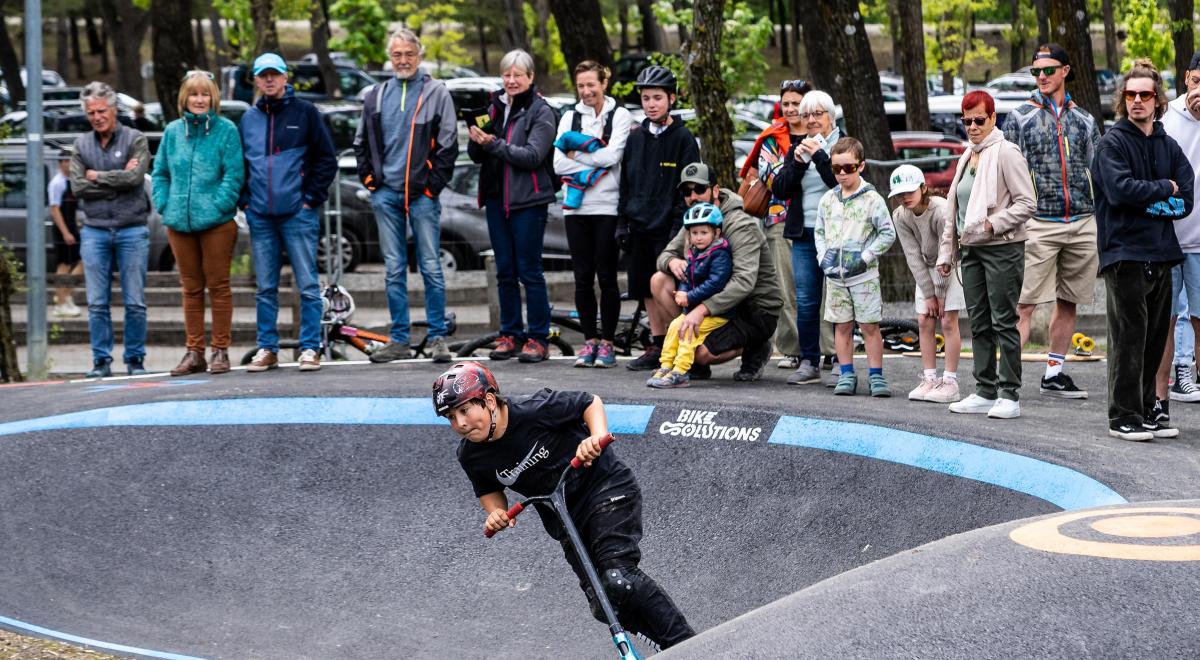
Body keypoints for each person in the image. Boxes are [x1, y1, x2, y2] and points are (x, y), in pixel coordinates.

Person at [434, 361, 695, 651]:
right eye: (450, 418)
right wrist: (495, 512)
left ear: (490, 401)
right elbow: (488, 489)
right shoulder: (470, 455)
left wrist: (596, 437)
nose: (460, 424)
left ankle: (692, 647)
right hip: (566, 518)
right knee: (602, 603)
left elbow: (589, 402)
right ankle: (671, 650)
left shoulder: (535, 409)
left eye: (464, 411)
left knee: (619, 579)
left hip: (604, 488)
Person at [1092, 59, 1193, 441]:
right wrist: (1162, 190)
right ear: (1123, 99)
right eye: (1131, 94)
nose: (1137, 100)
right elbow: (1119, 192)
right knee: (1129, 335)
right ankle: (1124, 415)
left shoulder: (1168, 145)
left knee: (1154, 337)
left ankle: (1149, 409)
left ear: (1157, 100)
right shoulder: (1111, 144)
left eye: (1145, 94)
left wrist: (1149, 197)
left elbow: (1187, 200)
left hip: (1163, 253)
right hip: (1123, 253)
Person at [1003, 43, 1101, 400]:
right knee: (1024, 303)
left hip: (1081, 219)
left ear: (1065, 71)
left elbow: (1099, 171)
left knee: (1069, 300)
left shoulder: (1086, 120)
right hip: (1039, 221)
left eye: (1048, 70)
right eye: (1036, 72)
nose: (1041, 76)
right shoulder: (1019, 117)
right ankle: (1006, 380)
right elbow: (1004, 170)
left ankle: (1054, 373)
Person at [355, 28, 458, 365]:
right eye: (397, 54)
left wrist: (431, 187)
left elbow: (448, 146)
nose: (403, 60)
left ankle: (438, 338)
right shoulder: (374, 95)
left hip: (422, 196)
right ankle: (399, 338)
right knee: (393, 268)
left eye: (408, 54)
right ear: (390, 57)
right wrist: (372, 181)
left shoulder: (437, 92)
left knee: (431, 266)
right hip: (386, 195)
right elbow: (360, 144)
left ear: (419, 55)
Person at [937, 90, 1036, 419]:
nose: (973, 126)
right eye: (967, 121)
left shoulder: (1006, 152)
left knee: (1004, 320)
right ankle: (984, 389)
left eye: (980, 119)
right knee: (978, 322)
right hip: (971, 249)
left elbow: (1027, 203)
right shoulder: (968, 154)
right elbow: (956, 209)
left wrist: (993, 224)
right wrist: (948, 251)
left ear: (993, 118)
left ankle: (1010, 393)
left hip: (1002, 247)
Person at [239, 53, 338, 373]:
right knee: (265, 287)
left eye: (275, 74)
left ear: (285, 77)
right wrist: (245, 201)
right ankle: (267, 347)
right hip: (261, 216)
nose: (269, 80)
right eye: (263, 75)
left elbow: (326, 159)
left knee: (307, 285)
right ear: (255, 80)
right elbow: (240, 165)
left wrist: (310, 198)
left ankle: (310, 347)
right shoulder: (248, 119)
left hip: (298, 213)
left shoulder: (306, 113)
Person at [151, 70, 245, 377]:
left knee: (218, 286)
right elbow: (161, 172)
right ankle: (195, 352)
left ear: (213, 98)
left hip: (217, 222)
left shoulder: (226, 131)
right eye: (194, 94)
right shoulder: (172, 132)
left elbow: (234, 174)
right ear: (184, 98)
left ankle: (220, 350)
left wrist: (218, 205)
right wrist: (165, 203)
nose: (200, 100)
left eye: (205, 94)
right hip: (179, 222)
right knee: (190, 288)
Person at [651, 163, 783, 381]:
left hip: (753, 308)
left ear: (714, 190)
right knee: (659, 280)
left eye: (699, 189)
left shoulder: (739, 224)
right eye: (686, 192)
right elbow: (664, 256)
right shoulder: (695, 219)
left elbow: (743, 282)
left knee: (702, 354)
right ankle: (689, 354)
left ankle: (757, 345)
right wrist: (672, 261)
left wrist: (700, 310)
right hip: (715, 301)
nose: (693, 196)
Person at [467, 49, 558, 363]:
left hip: (528, 201)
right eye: (507, 74)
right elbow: (479, 155)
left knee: (529, 271)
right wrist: (476, 139)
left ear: (530, 77)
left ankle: (538, 338)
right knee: (504, 271)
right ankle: (510, 335)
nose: (511, 80)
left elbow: (532, 156)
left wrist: (493, 144)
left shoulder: (541, 110)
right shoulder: (493, 105)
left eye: (518, 74)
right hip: (495, 199)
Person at [618, 66, 701, 371]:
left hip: (669, 228)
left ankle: (680, 345)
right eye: (646, 98)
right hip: (639, 225)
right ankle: (657, 343)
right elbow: (626, 183)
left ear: (671, 99)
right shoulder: (636, 138)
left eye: (657, 98)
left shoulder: (683, 139)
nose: (651, 104)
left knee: (667, 287)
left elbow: (689, 190)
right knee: (643, 288)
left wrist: (680, 229)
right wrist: (622, 222)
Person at [70, 81, 152, 378]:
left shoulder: (136, 138)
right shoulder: (81, 145)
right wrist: (116, 178)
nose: (97, 117)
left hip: (132, 228)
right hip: (95, 231)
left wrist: (97, 177)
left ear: (114, 109)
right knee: (96, 303)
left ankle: (135, 360)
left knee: (135, 302)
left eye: (101, 110)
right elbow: (78, 187)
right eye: (91, 112)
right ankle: (100, 361)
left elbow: (135, 180)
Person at [553, 60, 632, 368]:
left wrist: (578, 155)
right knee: (582, 277)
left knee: (607, 276)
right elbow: (559, 165)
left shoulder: (620, 115)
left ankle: (608, 342)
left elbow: (614, 156)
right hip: (576, 208)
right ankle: (589, 341)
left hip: (608, 206)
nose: (586, 91)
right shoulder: (570, 116)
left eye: (591, 85)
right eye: (581, 86)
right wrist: (594, 161)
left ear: (604, 83)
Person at [765, 86, 840, 385]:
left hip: (836, 235)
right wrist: (796, 162)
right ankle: (809, 360)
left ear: (831, 117)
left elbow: (839, 183)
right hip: (804, 232)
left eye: (817, 114)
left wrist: (820, 156)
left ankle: (839, 359)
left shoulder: (842, 145)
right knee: (807, 300)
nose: (810, 120)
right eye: (806, 114)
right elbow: (780, 189)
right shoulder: (799, 146)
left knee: (837, 299)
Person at [740, 79, 812, 378]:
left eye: (797, 103)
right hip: (779, 221)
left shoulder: (820, 132)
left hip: (814, 221)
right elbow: (773, 179)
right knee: (786, 288)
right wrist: (801, 169)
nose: (792, 109)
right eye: (787, 103)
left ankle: (824, 350)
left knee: (814, 290)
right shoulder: (772, 138)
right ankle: (793, 349)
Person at [815, 137, 896, 397]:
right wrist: (822, 257)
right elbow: (819, 231)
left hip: (864, 277)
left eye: (847, 168)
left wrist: (865, 257)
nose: (841, 174)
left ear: (860, 166)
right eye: (836, 168)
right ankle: (846, 373)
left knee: (870, 325)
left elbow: (887, 233)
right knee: (842, 325)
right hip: (835, 278)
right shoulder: (827, 199)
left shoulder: (873, 199)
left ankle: (876, 376)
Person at [888, 165, 963, 403]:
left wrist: (940, 293)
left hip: (951, 264)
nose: (905, 197)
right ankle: (930, 378)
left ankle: (950, 381)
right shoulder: (900, 215)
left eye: (910, 191)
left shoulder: (941, 211)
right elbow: (912, 255)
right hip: (926, 267)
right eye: (900, 193)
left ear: (923, 187)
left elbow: (947, 251)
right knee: (923, 319)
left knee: (948, 319)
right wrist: (929, 294)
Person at [646, 202, 732, 389]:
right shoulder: (695, 252)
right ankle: (666, 365)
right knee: (675, 326)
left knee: (688, 331)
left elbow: (715, 284)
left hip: (715, 311)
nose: (699, 238)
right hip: (694, 307)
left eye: (704, 233)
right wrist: (683, 289)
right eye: (694, 233)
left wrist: (690, 296)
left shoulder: (720, 254)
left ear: (716, 233)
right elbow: (688, 275)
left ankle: (681, 371)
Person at [1157, 50, 1200, 407]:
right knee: (1167, 316)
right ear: (1186, 78)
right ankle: (1162, 390)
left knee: (1197, 316)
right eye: (1196, 81)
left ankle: (1188, 372)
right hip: (1169, 236)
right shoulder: (1167, 117)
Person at [48, 149, 82, 319]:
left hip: (72, 227)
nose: (71, 164)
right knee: (64, 264)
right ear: (61, 163)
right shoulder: (57, 183)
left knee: (80, 262)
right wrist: (66, 232)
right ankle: (60, 302)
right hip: (63, 230)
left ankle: (65, 295)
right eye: (68, 161)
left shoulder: (70, 181)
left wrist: (75, 225)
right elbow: (54, 209)